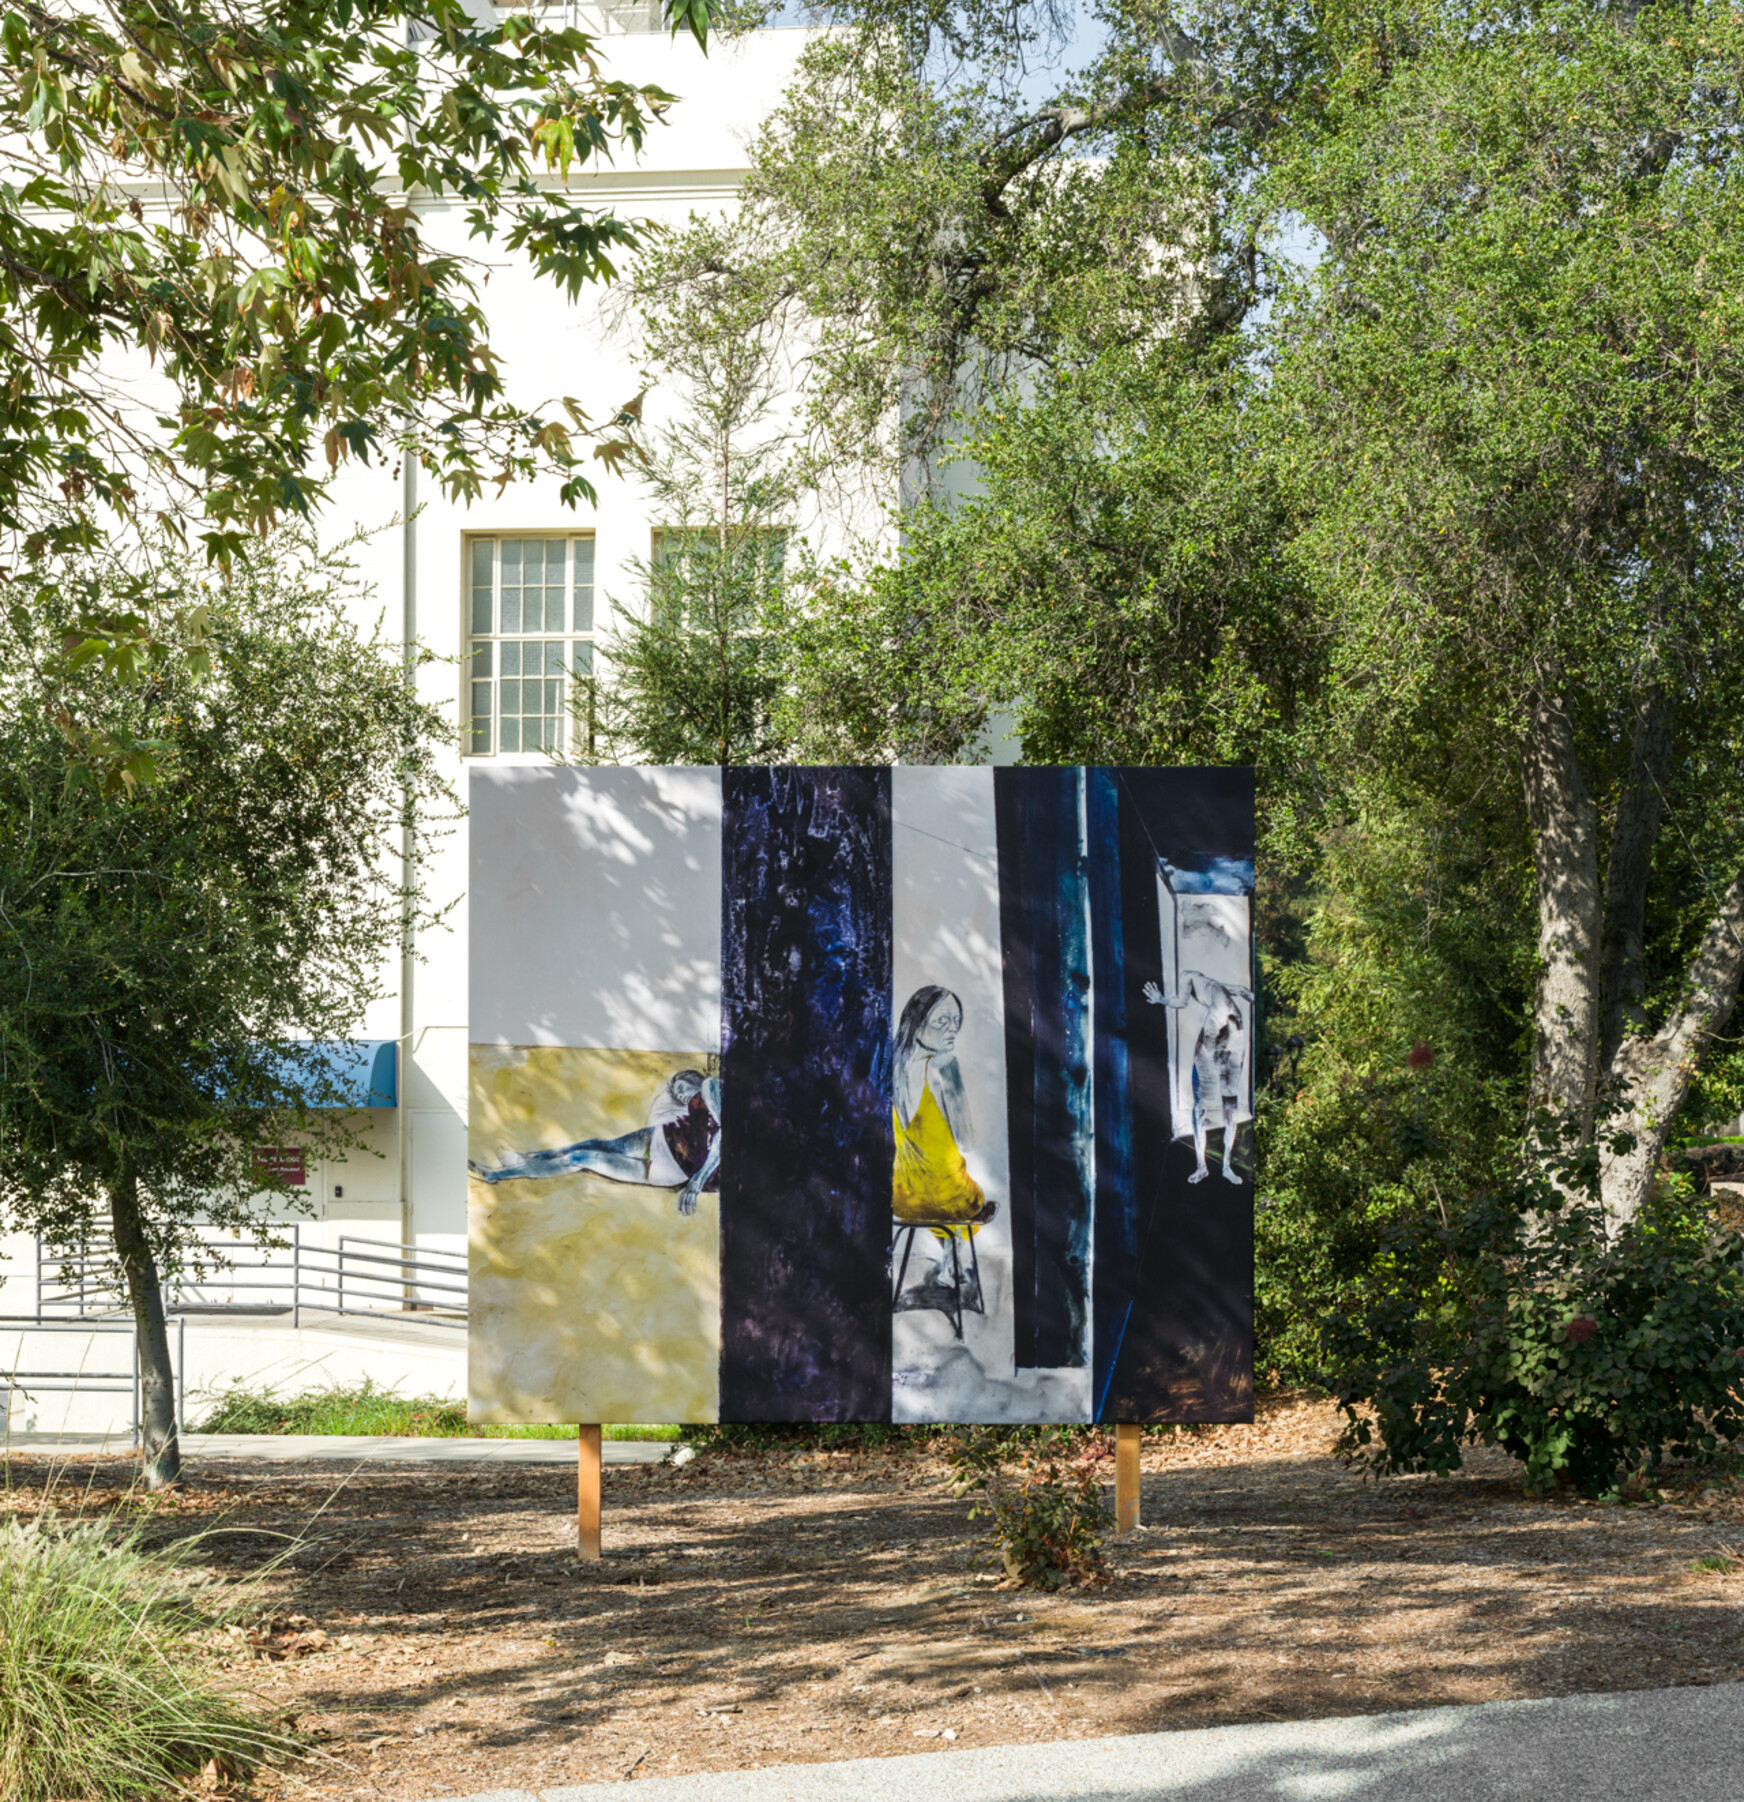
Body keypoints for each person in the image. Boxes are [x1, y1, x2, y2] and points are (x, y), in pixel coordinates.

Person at [470, 1069, 721, 1216]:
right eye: (676, 1091)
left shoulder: (712, 1088)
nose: (680, 1095)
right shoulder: (693, 1101)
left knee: (583, 1159)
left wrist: (696, 1183)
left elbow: (724, 1137)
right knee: (596, 1144)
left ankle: (497, 1174)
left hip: (670, 1167)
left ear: (696, 1080)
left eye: (682, 1087)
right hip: (657, 1136)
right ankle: (529, 1158)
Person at [892, 986, 995, 1317]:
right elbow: (966, 1140)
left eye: (956, 1021)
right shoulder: (944, 1065)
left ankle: (952, 1256)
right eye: (942, 1021)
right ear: (918, 1023)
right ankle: (955, 1255)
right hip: (947, 1196)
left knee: (942, 1192)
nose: (952, 1029)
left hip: (902, 1198)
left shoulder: (891, 1063)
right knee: (971, 1199)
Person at [1143, 971, 1252, 1185]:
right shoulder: (1212, 984)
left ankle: (1215, 1167)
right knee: (1218, 1102)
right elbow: (1240, 990)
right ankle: (1210, 1167)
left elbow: (1180, 1001)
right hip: (1234, 1026)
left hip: (1226, 1027)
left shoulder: (1188, 977)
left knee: (1216, 1102)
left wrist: (1161, 1000)